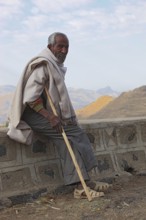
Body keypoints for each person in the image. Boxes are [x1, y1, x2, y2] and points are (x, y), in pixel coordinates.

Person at [7, 32, 109, 199]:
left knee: (73, 134)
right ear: (50, 47)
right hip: (33, 114)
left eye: (66, 47)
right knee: (68, 135)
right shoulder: (43, 65)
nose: (63, 50)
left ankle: (85, 181)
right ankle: (80, 186)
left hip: (43, 112)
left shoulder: (55, 65)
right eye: (60, 46)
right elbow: (30, 99)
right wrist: (50, 117)